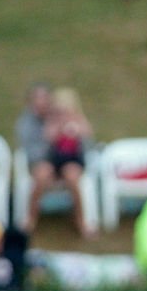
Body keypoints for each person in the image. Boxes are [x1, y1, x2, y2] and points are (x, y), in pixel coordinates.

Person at [42, 87, 96, 237]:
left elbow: (88, 139)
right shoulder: (52, 122)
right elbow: (47, 140)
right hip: (56, 161)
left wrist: (76, 129)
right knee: (41, 175)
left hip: (73, 162)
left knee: (71, 176)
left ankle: (80, 219)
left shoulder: (79, 120)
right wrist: (58, 129)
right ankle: (30, 219)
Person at [14, 82, 58, 233]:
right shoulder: (25, 123)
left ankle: (83, 222)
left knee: (73, 173)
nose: (41, 102)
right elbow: (29, 152)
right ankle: (31, 218)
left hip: (62, 163)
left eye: (44, 97)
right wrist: (48, 140)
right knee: (43, 172)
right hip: (40, 164)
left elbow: (82, 143)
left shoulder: (60, 115)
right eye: (37, 98)